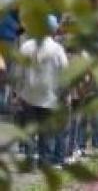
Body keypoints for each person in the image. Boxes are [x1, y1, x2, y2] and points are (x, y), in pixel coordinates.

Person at [16, 15, 68, 167]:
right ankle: (44, 162)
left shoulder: (25, 46)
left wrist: (18, 94)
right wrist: (65, 94)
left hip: (29, 95)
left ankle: (30, 160)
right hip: (50, 97)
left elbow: (18, 73)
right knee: (47, 132)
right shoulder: (57, 49)